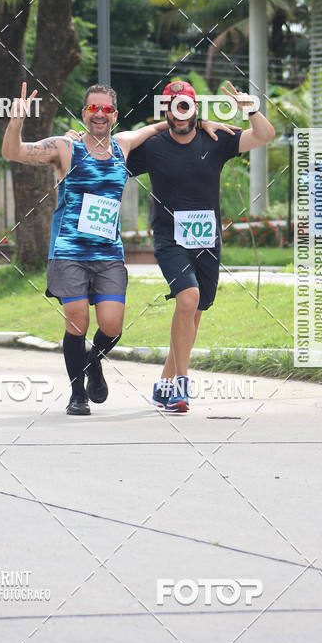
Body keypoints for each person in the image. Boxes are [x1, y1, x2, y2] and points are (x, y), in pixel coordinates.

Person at [2, 82, 237, 416]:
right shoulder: (65, 147)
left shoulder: (123, 145)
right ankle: (76, 395)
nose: (99, 114)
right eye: (93, 109)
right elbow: (14, 152)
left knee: (112, 325)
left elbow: (163, 124)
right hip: (69, 251)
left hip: (108, 254)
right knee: (78, 320)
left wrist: (200, 122)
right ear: (83, 113)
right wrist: (16, 122)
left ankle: (93, 362)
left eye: (106, 109)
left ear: (115, 115)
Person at [127, 80, 275, 413]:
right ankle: (181, 385)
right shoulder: (153, 147)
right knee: (188, 298)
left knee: (193, 313)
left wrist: (249, 109)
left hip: (207, 240)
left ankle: (164, 385)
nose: (180, 114)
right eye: (173, 106)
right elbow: (113, 154)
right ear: (165, 110)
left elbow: (264, 135)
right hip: (170, 239)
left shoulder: (216, 139)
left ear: (195, 107)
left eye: (186, 105)